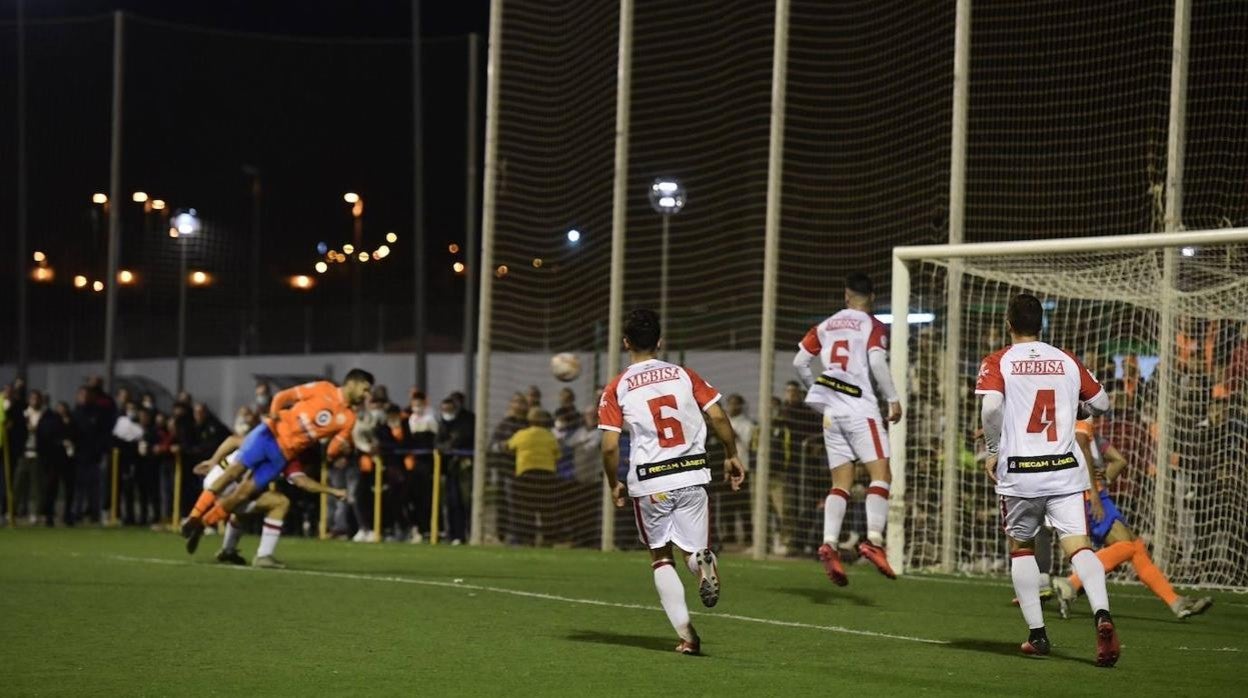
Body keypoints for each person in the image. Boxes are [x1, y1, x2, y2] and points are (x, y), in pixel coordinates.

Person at [977, 293, 1117, 665]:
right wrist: (1077, 404)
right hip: (1064, 469)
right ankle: (1102, 614)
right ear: (1042, 324)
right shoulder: (1066, 360)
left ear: (1009, 323)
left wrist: (994, 448)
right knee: (1080, 548)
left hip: (1021, 472)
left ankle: (1038, 636)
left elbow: (991, 407)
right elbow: (1102, 403)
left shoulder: (999, 360)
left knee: (1021, 547)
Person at [599, 309, 746, 655]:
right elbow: (717, 415)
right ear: (660, 342)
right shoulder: (684, 374)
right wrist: (731, 453)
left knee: (661, 557)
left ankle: (688, 637)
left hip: (651, 480)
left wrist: (613, 482)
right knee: (693, 551)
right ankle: (702, 564)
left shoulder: (617, 386)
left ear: (625, 343)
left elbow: (608, 446)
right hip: (693, 472)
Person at [181, 369, 374, 553]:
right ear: (352, 383)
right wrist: (273, 415)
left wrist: (340, 449)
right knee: (233, 472)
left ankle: (201, 526)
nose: (366, 395)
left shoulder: (349, 419)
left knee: (242, 494)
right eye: (365, 389)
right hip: (269, 436)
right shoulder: (323, 388)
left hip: (284, 455)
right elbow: (284, 396)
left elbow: (331, 451)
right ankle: (194, 517)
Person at [792, 272, 903, 584]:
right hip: (861, 409)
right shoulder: (873, 324)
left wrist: (818, 392)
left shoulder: (826, 325)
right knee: (881, 475)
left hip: (832, 413)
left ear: (846, 295)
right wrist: (893, 398)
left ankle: (830, 542)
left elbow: (800, 361)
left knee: (840, 482)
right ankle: (874, 541)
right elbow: (878, 363)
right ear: (872, 298)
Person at [1050, 417, 1213, 620]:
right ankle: (1071, 583)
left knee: (1134, 547)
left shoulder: (1079, 423)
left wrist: (1104, 479)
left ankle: (1176, 602)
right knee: (1129, 547)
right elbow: (1084, 451)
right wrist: (1094, 492)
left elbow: (1119, 460)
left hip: (1091, 494)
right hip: (1086, 496)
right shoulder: (1079, 414)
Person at [193, 451, 346, 568]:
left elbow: (234, 439)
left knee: (244, 509)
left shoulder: (265, 433)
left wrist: (214, 460)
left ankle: (226, 548)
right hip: (232, 483)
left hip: (217, 477)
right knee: (280, 502)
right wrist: (334, 491)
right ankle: (263, 555)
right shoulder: (285, 449)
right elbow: (302, 482)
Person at [505, 408, 562, 545]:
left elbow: (508, 447)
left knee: (526, 510)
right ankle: (548, 540)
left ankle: (527, 540)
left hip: (526, 474)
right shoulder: (550, 436)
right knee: (546, 509)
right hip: (546, 475)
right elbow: (558, 455)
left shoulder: (521, 434)